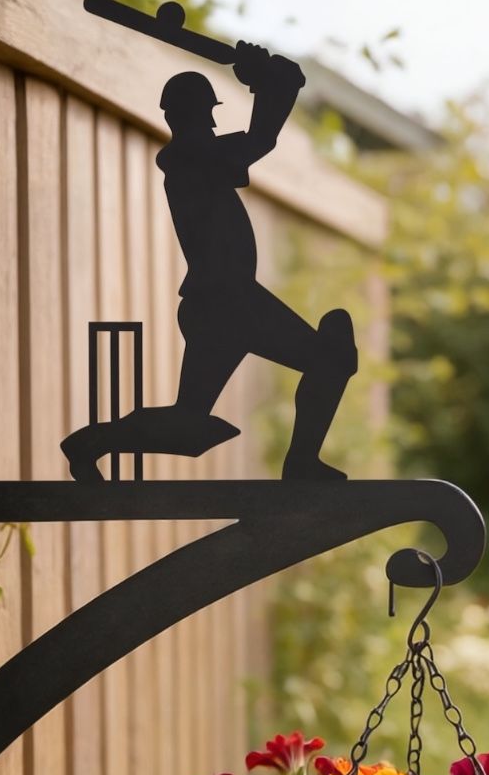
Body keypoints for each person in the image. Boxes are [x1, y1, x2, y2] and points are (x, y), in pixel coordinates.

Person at [61, 41, 357, 482]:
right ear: (182, 117)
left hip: (225, 303)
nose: (213, 121)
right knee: (329, 358)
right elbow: (260, 140)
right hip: (227, 302)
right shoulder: (187, 159)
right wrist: (272, 84)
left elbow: (260, 138)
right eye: (206, 113)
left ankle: (90, 443)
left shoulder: (197, 157)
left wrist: (272, 84)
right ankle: (300, 463)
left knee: (187, 423)